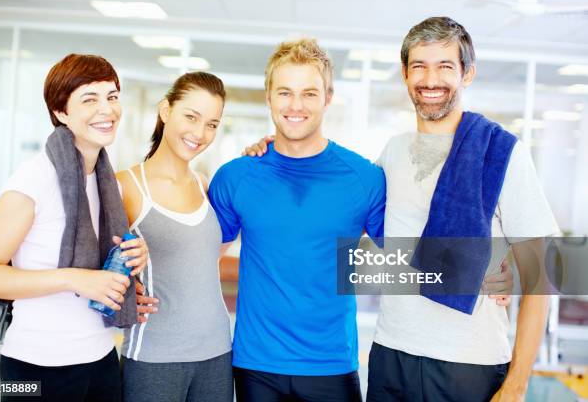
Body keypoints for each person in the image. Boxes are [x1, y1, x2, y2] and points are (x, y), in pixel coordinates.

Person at [209, 38, 512, 402]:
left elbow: (412, 255)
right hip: (255, 365)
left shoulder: (364, 177)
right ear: (269, 97)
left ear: (328, 97)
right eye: (285, 93)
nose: (296, 105)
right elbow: (202, 254)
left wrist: (487, 265)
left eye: (309, 93)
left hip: (332, 366)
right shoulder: (236, 176)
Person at [364, 17, 558, 402]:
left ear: (467, 74)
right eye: (419, 65)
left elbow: (541, 274)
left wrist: (517, 385)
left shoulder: (502, 153)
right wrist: (280, 146)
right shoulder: (393, 151)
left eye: (445, 66)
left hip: (469, 364)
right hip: (391, 355)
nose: (430, 80)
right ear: (405, 74)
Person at [0, 54, 150, 402]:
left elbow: (102, 268)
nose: (108, 109)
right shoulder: (34, 179)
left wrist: (134, 265)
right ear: (60, 112)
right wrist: (73, 278)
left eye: (112, 96)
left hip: (100, 356)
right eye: (90, 98)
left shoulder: (107, 184)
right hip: (35, 365)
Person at [117, 72, 233, 402]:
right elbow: (97, 264)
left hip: (217, 352)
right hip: (155, 356)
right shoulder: (126, 186)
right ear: (166, 110)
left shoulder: (205, 184)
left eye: (212, 123)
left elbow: (201, 259)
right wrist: (126, 295)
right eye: (191, 117)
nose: (200, 133)